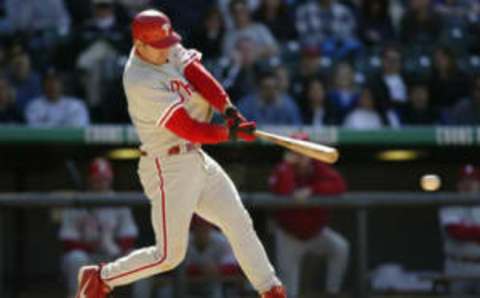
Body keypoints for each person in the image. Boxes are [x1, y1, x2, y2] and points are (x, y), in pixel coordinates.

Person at [75, 9, 286, 298]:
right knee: (168, 256)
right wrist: (231, 133)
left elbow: (196, 73)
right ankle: (100, 278)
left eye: (168, 43)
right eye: (159, 47)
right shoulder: (139, 79)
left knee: (238, 220)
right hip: (168, 165)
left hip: (196, 158)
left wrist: (228, 110)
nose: (167, 49)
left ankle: (271, 290)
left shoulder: (162, 43)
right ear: (139, 45)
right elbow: (188, 128)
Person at [269, 132, 349, 297]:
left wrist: (313, 190)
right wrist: (289, 166)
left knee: (340, 248)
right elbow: (282, 190)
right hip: (289, 236)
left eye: (304, 150)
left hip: (315, 234)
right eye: (296, 150)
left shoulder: (318, 167)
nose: (300, 155)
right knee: (289, 291)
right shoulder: (282, 169)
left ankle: (331, 292)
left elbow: (339, 185)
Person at [59, 158, 139, 298]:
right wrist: (91, 246)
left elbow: (130, 234)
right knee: (75, 258)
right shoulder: (78, 202)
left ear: (110, 179)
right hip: (86, 257)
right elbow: (67, 240)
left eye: (105, 179)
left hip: (113, 254)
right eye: (97, 179)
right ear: (90, 179)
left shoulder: (119, 201)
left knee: (137, 256)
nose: (101, 183)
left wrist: (116, 247)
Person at [439, 164, 480, 295]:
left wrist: (472, 232)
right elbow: (456, 232)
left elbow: (466, 232)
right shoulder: (450, 204)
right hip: (457, 265)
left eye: (472, 180)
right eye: (464, 180)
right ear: (458, 184)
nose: (468, 184)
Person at [185, 216, 242, 298]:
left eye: (205, 226)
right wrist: (200, 269)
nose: (202, 229)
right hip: (188, 285)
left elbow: (234, 267)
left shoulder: (221, 240)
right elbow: (175, 268)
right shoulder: (184, 242)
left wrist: (218, 269)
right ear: (192, 228)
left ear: (210, 227)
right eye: (198, 226)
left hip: (216, 284)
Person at [295, 0, 360, 59]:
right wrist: (323, 44)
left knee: (352, 45)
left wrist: (333, 43)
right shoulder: (304, 10)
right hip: (313, 52)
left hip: (338, 51)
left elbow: (348, 33)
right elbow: (303, 34)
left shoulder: (344, 11)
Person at [24, 69, 89, 127]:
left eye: (56, 81)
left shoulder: (76, 105)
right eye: (48, 82)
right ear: (43, 85)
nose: (52, 85)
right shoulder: (34, 106)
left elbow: (79, 126)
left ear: (62, 84)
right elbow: (33, 128)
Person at [238, 71, 302, 125]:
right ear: (259, 89)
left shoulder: (288, 105)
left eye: (274, 88)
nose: (271, 91)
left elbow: (296, 128)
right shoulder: (247, 104)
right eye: (267, 88)